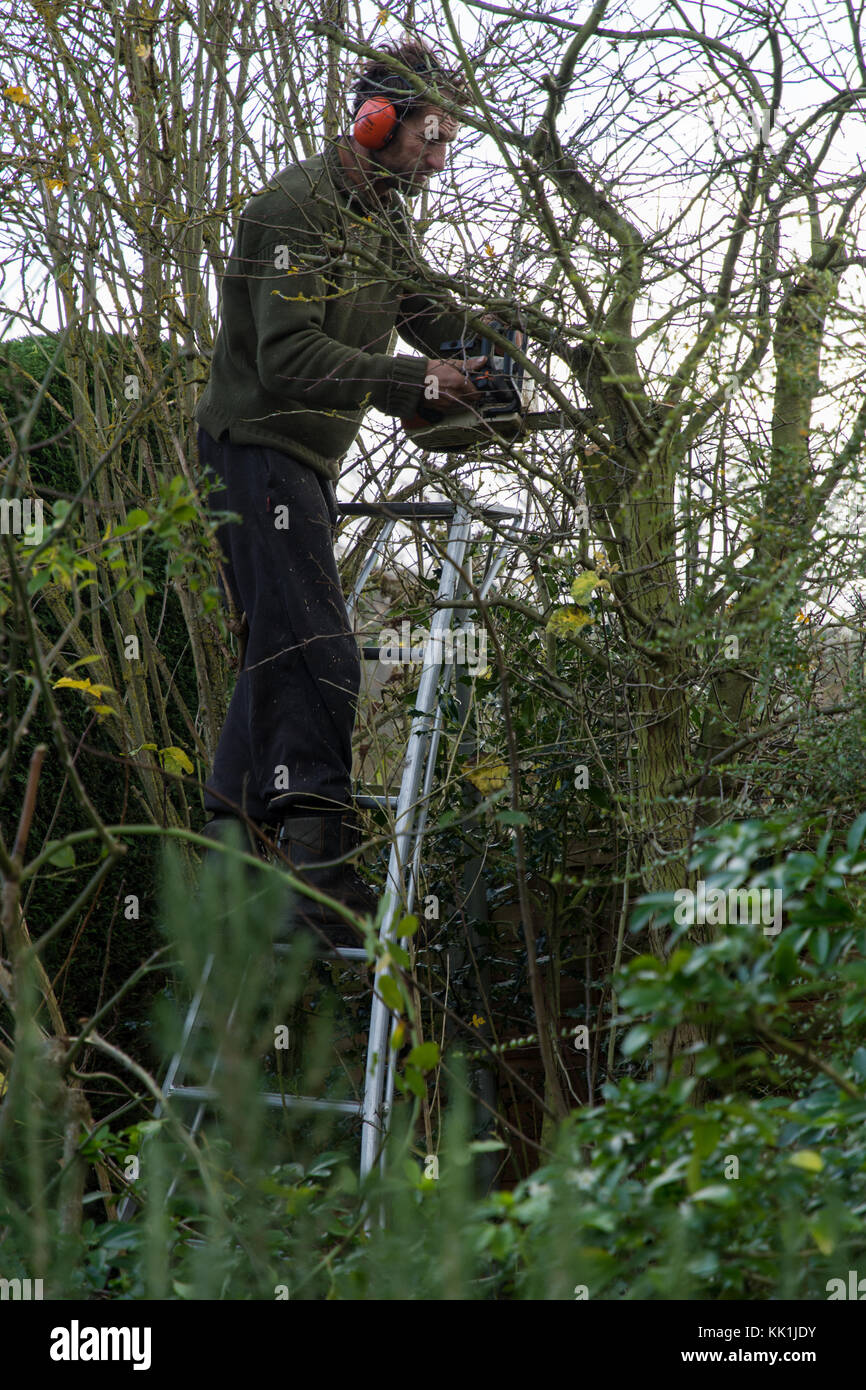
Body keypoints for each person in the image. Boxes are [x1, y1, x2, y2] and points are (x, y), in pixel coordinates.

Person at [194, 38, 489, 944]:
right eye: (430, 138)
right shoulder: (297, 210)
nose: (438, 160)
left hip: (302, 464)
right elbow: (287, 359)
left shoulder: (382, 215)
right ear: (376, 120)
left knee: (279, 651)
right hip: (256, 449)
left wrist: (499, 344)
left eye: (449, 144)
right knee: (319, 646)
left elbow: (422, 306)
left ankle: (227, 856)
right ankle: (319, 885)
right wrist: (415, 383)